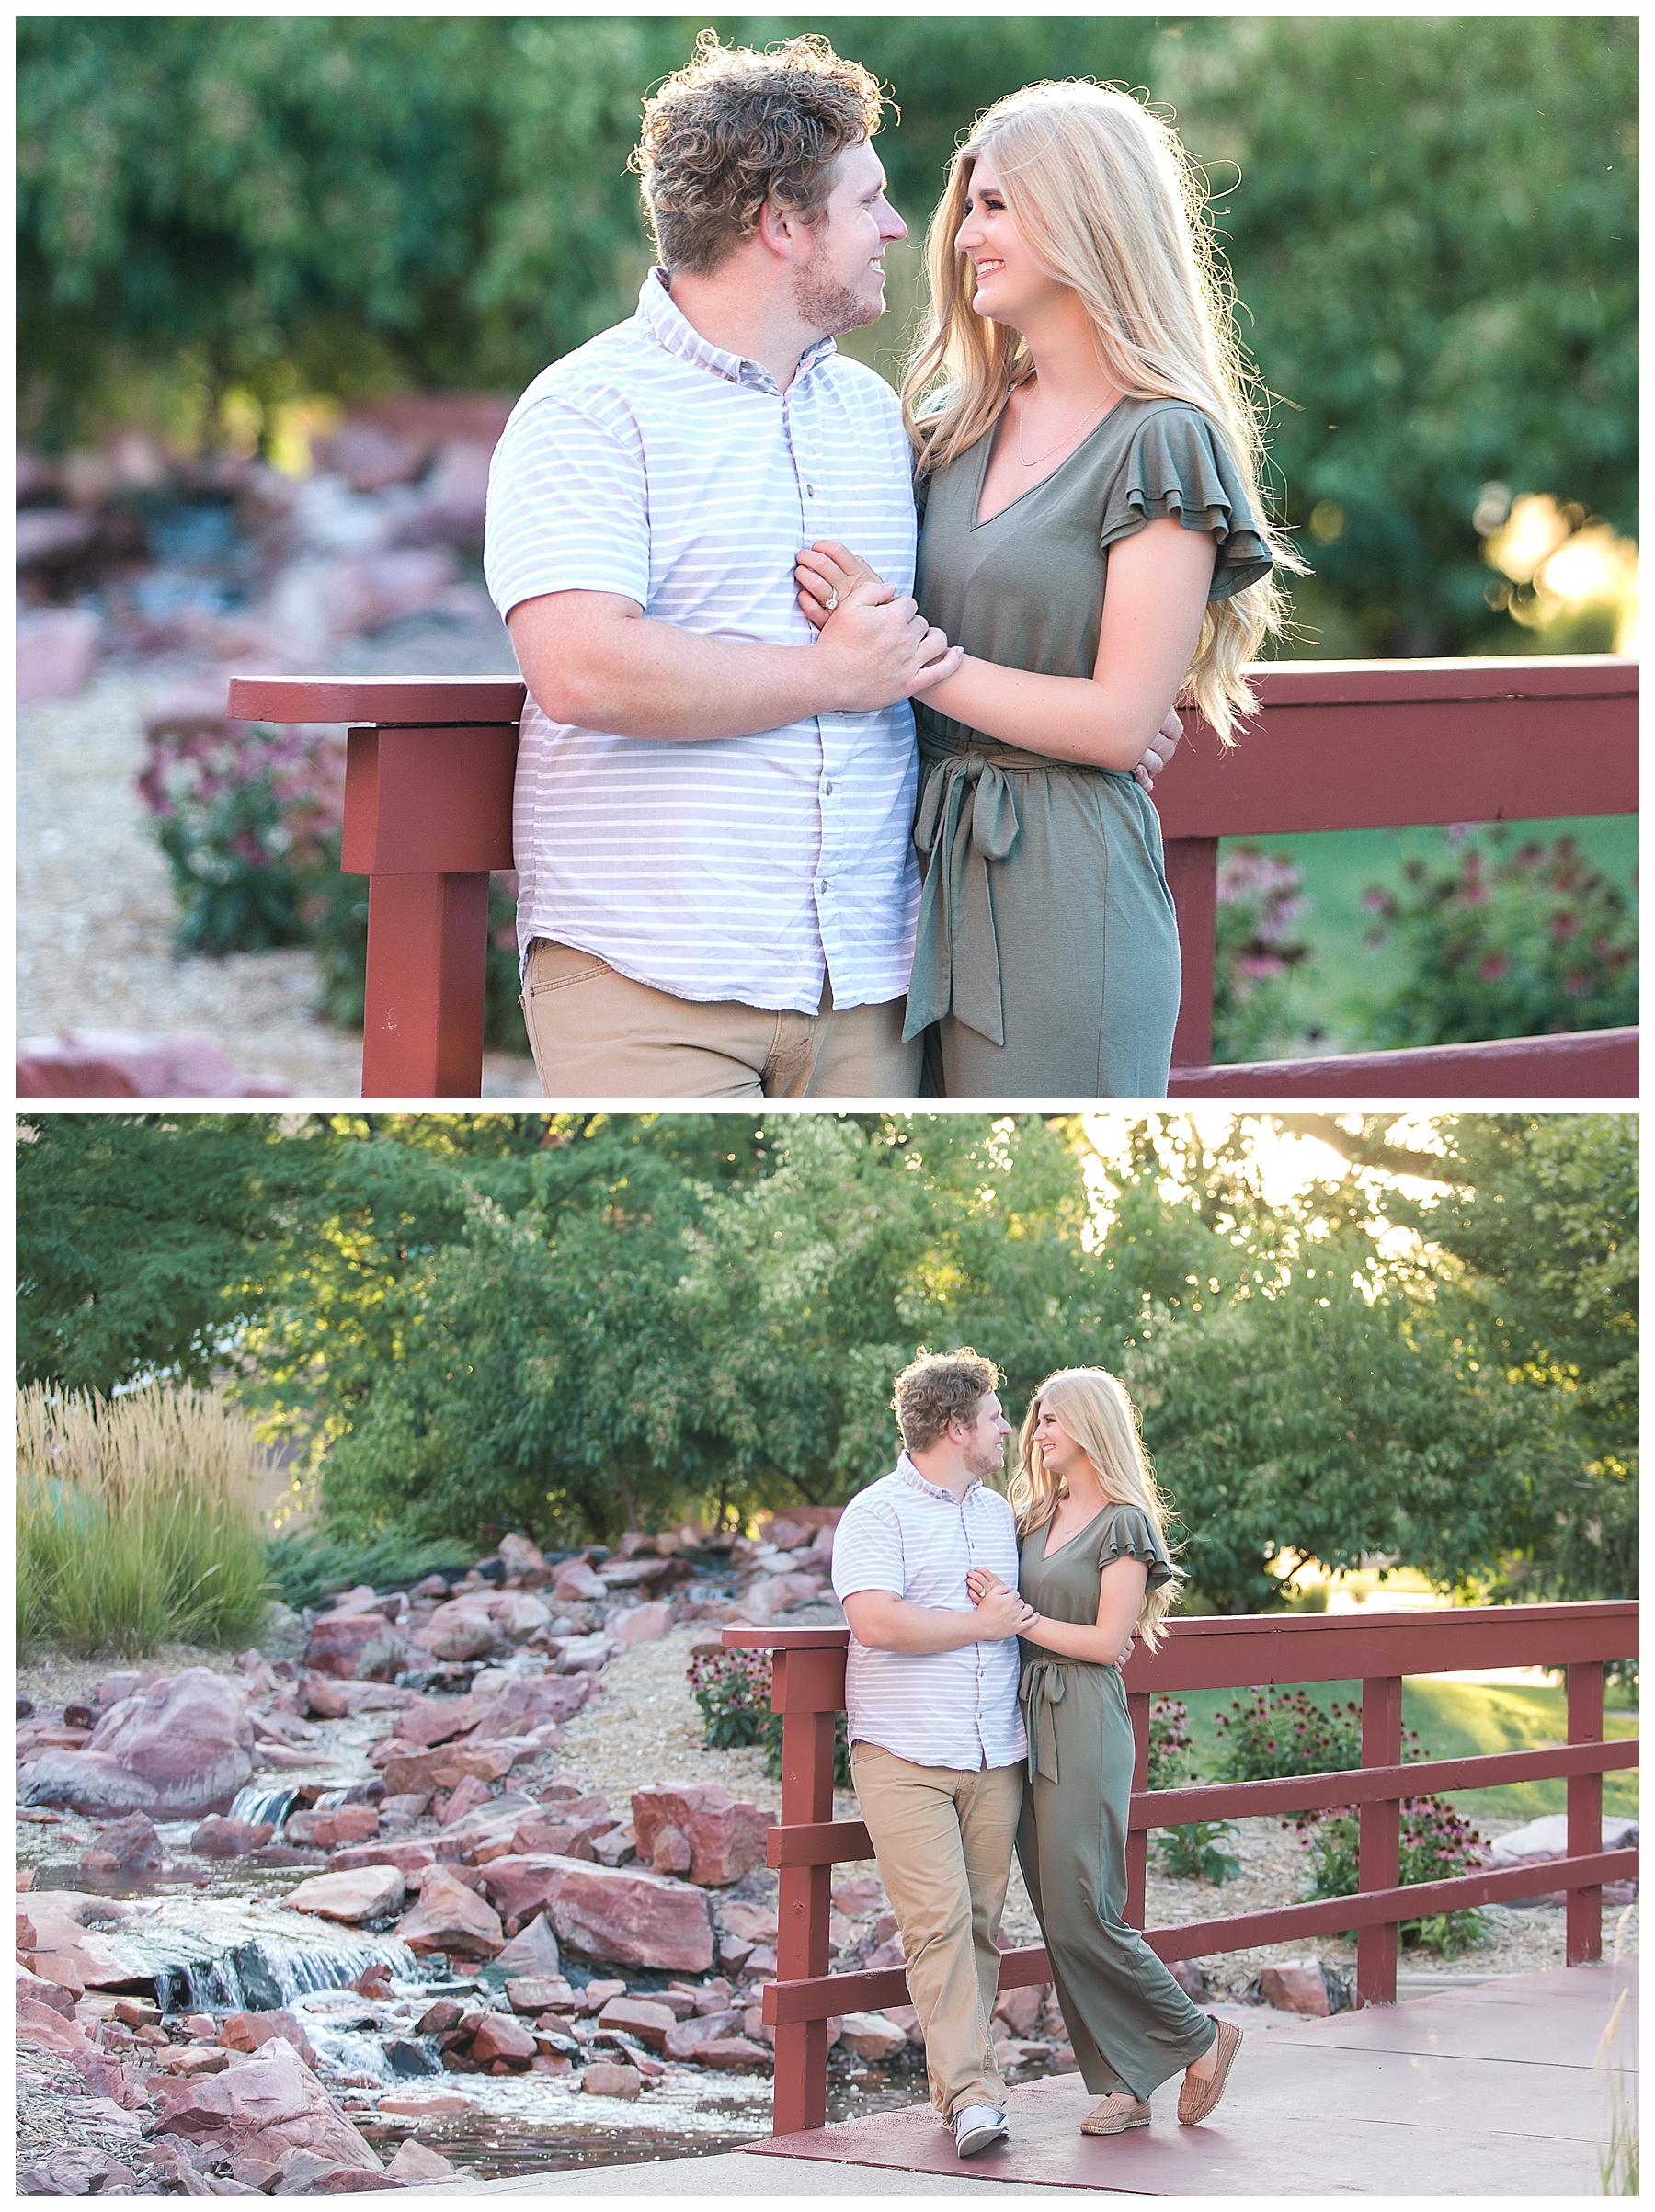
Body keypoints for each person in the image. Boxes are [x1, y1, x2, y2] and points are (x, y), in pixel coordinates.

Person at [484, 37, 1178, 1100]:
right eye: (870, 201)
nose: (902, 230)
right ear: (782, 226)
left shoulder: (875, 420)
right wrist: (829, 677)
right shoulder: (588, 408)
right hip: (651, 984)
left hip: (870, 989)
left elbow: (940, 620)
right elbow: (580, 670)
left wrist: (1103, 705)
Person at [794, 80, 1305, 1097]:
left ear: (1086, 216)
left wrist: (906, 658)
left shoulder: (1163, 439)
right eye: (966, 207)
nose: (961, 237)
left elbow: (1119, 727)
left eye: (995, 207)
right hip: (915, 875)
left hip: (1064, 888)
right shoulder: (952, 425)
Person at [966, 1367, 1242, 2134]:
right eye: (1034, 1420)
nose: (1036, 1433)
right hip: (1025, 1716)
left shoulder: (1124, 1524)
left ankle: (1200, 2036)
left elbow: (1106, 1642)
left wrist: (1018, 1618)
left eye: (1051, 1419)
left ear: (1089, 1426)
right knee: (1059, 1916)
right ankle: (1125, 2083)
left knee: (1086, 1908)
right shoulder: (1029, 1517)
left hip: (1083, 1718)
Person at [829, 1350, 1033, 2158]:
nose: (1005, 1429)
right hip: (904, 1752)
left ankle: (963, 2089)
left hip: (995, 1751)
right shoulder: (876, 1513)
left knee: (981, 1925)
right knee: (939, 1925)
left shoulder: (997, 1513)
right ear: (956, 1428)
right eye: (993, 1417)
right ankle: (976, 2098)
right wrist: (981, 1626)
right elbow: (874, 1621)